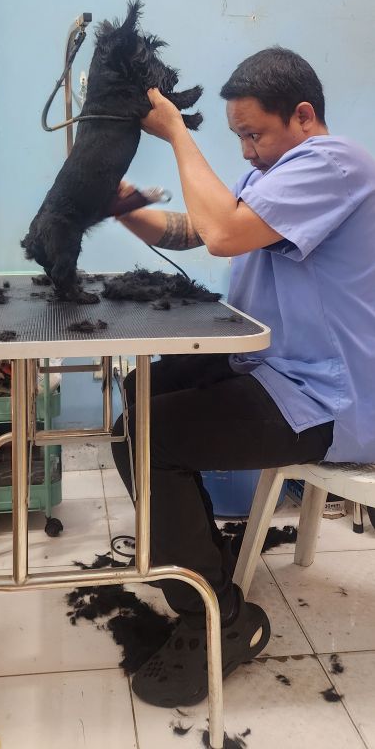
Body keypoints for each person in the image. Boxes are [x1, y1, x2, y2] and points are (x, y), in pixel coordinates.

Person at [110, 45, 375, 709]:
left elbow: (223, 233)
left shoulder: (334, 163)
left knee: (149, 435)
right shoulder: (278, 172)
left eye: (252, 133)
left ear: (304, 115)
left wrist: (174, 131)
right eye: (237, 138)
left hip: (329, 396)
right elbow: (192, 229)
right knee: (141, 396)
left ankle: (216, 620)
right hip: (275, 364)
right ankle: (199, 559)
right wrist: (115, 203)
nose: (246, 151)